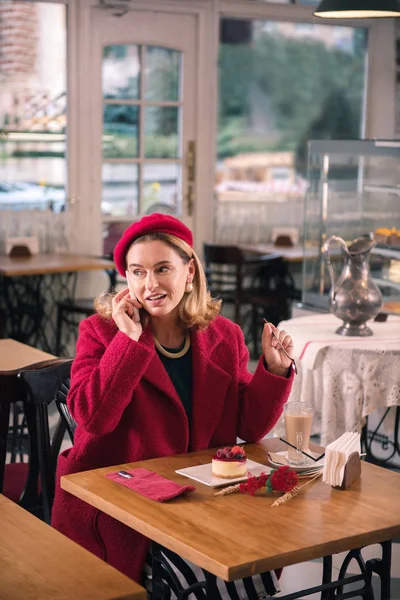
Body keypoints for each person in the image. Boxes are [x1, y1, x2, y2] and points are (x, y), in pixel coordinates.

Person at [52, 213, 295, 598]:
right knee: (199, 570)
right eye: (137, 272)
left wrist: (274, 370)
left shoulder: (224, 336)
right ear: (127, 280)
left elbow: (249, 427)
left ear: (190, 270)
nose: (150, 284)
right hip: (120, 502)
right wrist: (128, 343)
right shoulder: (100, 332)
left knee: (258, 553)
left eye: (162, 268)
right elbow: (92, 419)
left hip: (200, 498)